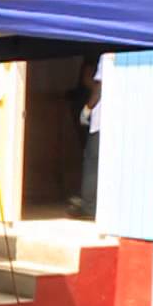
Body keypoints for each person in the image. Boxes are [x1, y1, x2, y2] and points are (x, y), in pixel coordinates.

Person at [71, 55, 105, 220]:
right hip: (115, 124)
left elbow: (99, 88)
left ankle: (89, 206)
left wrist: (87, 108)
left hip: (100, 123)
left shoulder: (107, 57)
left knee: (92, 163)